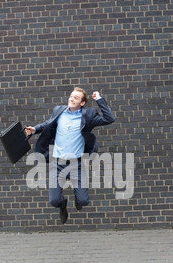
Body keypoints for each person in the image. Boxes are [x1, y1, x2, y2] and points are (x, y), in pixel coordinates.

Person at [25, 88, 115, 224]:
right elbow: (47, 124)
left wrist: (99, 100)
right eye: (71, 96)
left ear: (82, 103)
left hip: (76, 164)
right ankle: (63, 205)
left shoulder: (88, 116)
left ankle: (77, 195)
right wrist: (35, 129)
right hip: (58, 163)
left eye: (76, 98)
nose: (71, 99)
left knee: (83, 201)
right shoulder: (59, 111)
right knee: (54, 201)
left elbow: (109, 118)